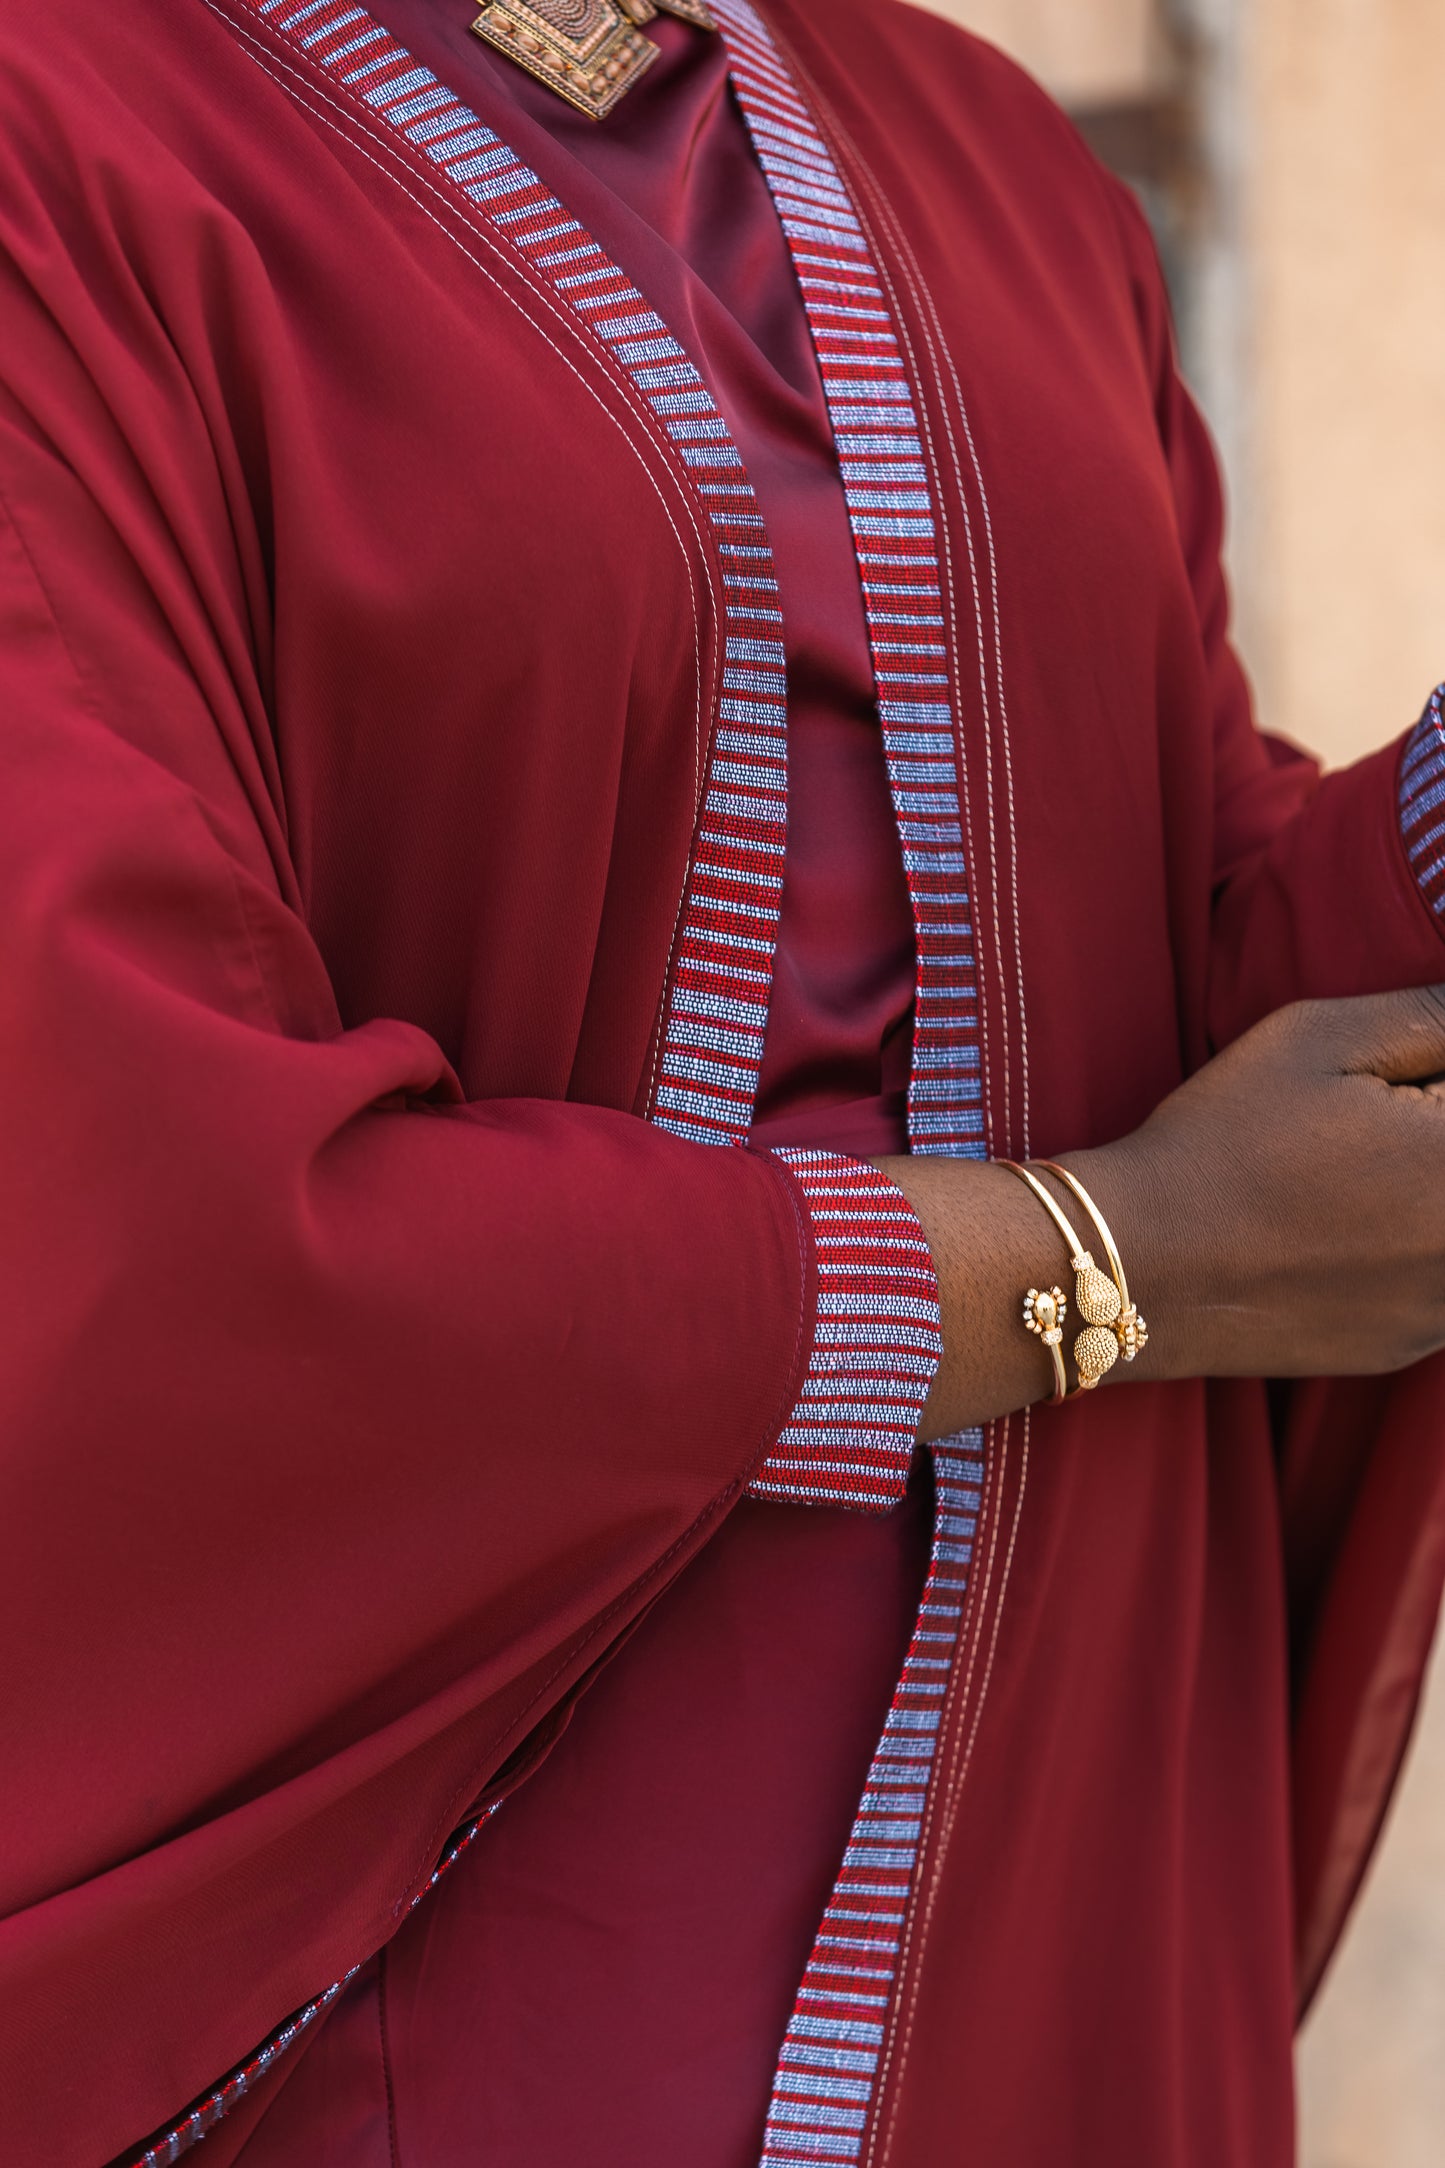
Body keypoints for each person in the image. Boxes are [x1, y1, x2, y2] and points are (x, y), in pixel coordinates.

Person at [2, 0, 1443, 2161]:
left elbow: (1165, 963)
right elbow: (135, 1196)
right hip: (449, 1982)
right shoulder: (69, 134)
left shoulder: (992, 165)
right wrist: (1108, 1257)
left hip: (1052, 1921)